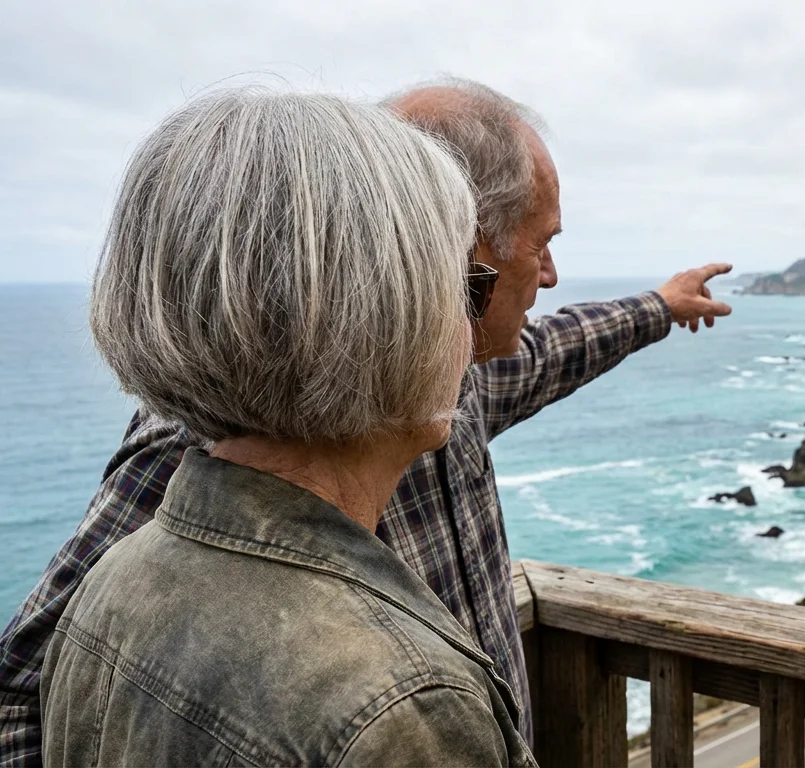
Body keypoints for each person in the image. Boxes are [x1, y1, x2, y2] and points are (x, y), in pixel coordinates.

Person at [0, 79, 732, 765]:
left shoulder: (453, 381)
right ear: (451, 244)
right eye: (541, 243)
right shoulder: (217, 435)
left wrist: (660, 306)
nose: (550, 275)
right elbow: (24, 691)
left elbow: (549, 351)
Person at [39, 87, 533, 766]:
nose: (470, 329)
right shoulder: (408, 707)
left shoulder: (112, 584)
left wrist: (659, 304)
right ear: (383, 315)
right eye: (462, 287)